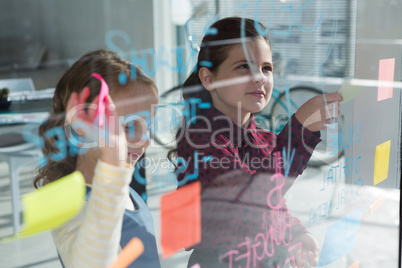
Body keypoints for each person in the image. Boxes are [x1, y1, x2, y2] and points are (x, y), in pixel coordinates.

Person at [168, 17, 343, 267]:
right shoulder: (199, 139)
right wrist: (299, 130)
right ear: (209, 78)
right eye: (243, 67)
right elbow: (252, 198)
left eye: (266, 68)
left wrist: (297, 233)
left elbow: (274, 207)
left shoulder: (264, 139)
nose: (260, 78)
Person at [33, 50, 161, 267]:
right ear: (80, 127)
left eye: (148, 126)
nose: (144, 140)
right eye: (129, 126)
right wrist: (114, 162)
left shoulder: (128, 192)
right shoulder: (68, 205)